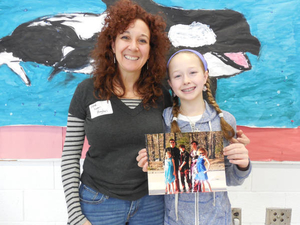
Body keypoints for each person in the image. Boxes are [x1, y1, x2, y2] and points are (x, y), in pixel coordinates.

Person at [61, 0, 171, 225]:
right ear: (112, 44)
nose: (133, 46)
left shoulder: (163, 95)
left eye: (142, 40)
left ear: (151, 50)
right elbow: (70, 156)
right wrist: (74, 214)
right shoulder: (86, 91)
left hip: (152, 204)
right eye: (125, 37)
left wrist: (162, 156)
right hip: (98, 203)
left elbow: (177, 144)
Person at [137, 49, 251, 224]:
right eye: (177, 76)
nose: (186, 81)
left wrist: (243, 165)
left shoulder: (225, 121)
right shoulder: (162, 121)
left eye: (192, 72)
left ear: (206, 76)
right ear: (170, 84)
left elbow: (231, 178)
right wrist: (149, 166)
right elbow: (162, 180)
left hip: (218, 220)